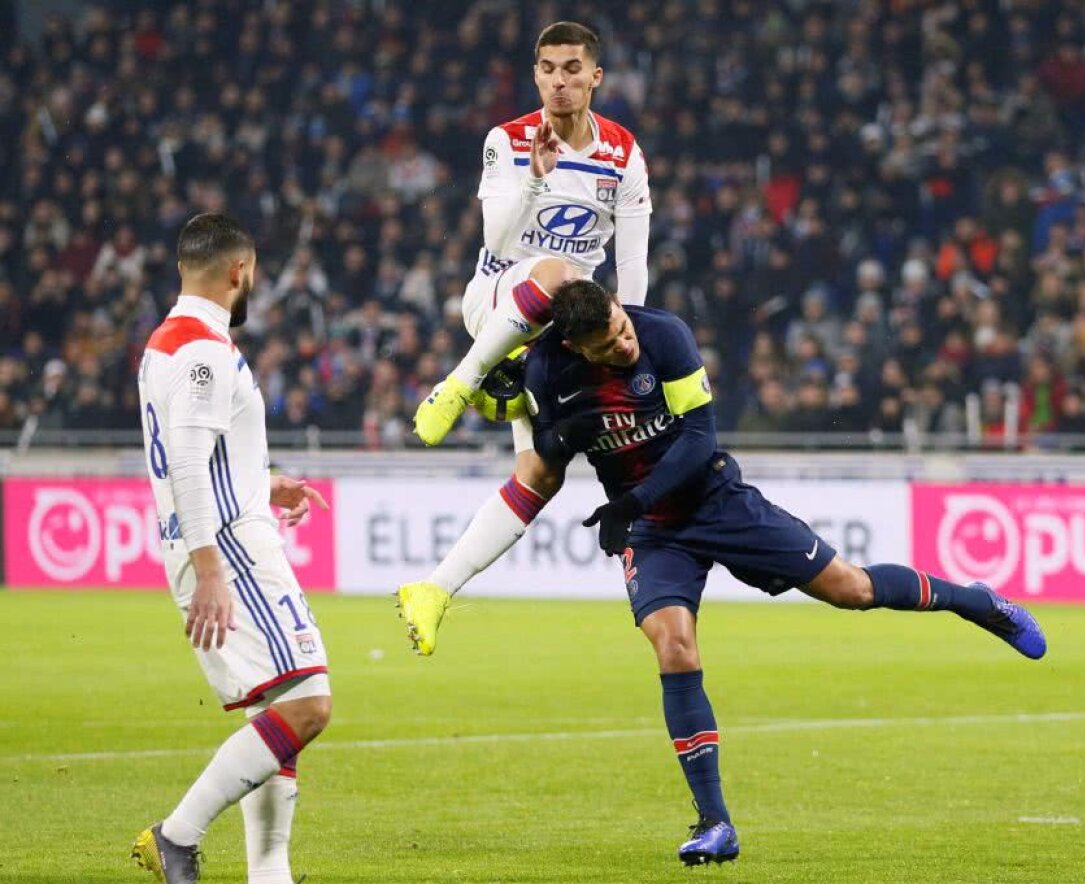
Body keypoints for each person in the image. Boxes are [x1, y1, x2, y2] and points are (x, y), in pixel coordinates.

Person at [522, 279, 1047, 866]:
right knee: (674, 649)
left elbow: (699, 440)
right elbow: (546, 446)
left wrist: (633, 500)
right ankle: (715, 822)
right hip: (652, 531)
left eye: (622, 326)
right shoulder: (546, 368)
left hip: (716, 500)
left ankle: (974, 602)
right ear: (575, 348)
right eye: (607, 344)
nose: (624, 344)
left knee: (852, 589)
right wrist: (542, 420)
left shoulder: (665, 335)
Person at [399, 21, 652, 654]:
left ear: (596, 76)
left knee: (540, 474)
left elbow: (635, 269)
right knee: (560, 273)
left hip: (561, 329)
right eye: (547, 69)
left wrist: (630, 338)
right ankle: (458, 385)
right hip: (496, 297)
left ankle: (434, 589)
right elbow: (496, 242)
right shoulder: (507, 140)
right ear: (535, 74)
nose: (559, 81)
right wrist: (537, 179)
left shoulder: (623, 154)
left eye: (572, 69)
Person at [132, 213, 332, 884]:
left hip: (226, 533)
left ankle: (268, 873)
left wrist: (264, 482)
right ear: (239, 272)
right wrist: (212, 569)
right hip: (231, 552)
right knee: (309, 704)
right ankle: (176, 835)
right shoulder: (203, 350)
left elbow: (199, 452)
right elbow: (186, 463)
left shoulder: (170, 341)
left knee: (274, 708)